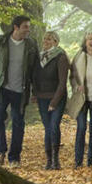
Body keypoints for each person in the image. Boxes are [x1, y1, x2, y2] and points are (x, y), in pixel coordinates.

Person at [0, 15, 39, 167]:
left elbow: (36, 69)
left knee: (18, 123)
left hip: (21, 90)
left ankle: (14, 158)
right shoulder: (1, 41)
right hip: (2, 88)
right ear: (16, 27)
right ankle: (0, 152)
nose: (28, 30)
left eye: (28, 27)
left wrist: (36, 91)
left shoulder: (31, 44)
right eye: (25, 27)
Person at [68, 31, 92, 168]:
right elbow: (72, 76)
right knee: (81, 127)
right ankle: (78, 161)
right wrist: (76, 86)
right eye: (90, 39)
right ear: (85, 42)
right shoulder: (79, 56)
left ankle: (91, 160)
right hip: (82, 98)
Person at [32, 31, 69, 170]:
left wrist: (54, 102)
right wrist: (34, 93)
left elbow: (62, 82)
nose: (46, 41)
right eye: (44, 39)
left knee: (54, 126)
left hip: (57, 97)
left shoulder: (61, 57)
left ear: (55, 42)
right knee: (47, 129)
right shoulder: (39, 57)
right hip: (42, 98)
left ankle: (56, 160)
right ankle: (48, 160)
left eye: (49, 39)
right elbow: (34, 77)